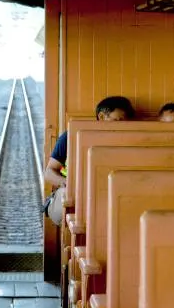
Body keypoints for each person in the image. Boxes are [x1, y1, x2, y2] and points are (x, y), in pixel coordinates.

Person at [43, 96, 135, 225]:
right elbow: (49, 172)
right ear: (102, 116)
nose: (121, 126)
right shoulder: (70, 137)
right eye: (116, 120)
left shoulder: (129, 140)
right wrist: (69, 184)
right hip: (73, 193)